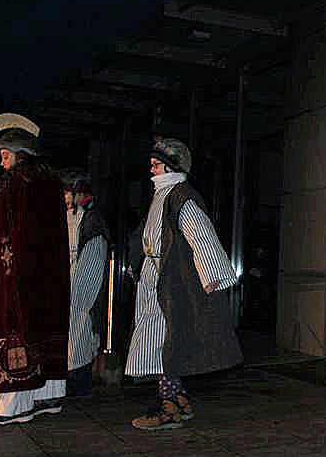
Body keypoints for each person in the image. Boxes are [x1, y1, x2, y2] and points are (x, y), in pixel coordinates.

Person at [125, 137, 242, 430]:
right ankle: (178, 399)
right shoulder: (163, 195)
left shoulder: (180, 196)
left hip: (172, 282)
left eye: (155, 164)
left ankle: (169, 406)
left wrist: (212, 275)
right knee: (158, 340)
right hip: (156, 277)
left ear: (170, 166)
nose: (151, 169)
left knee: (167, 343)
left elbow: (200, 234)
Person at [0, 113, 70, 425]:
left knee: (19, 328)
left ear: (19, 154)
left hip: (20, 276)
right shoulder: (50, 181)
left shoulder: (17, 182)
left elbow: (15, 235)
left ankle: (16, 404)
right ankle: (48, 395)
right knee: (44, 327)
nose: (2, 163)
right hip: (48, 276)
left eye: (5, 156)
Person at [61, 170, 110, 398]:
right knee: (73, 337)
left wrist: (78, 297)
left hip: (81, 292)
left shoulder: (91, 220)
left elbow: (93, 260)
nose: (64, 198)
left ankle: (80, 384)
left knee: (80, 336)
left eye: (67, 193)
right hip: (70, 286)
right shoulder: (71, 216)